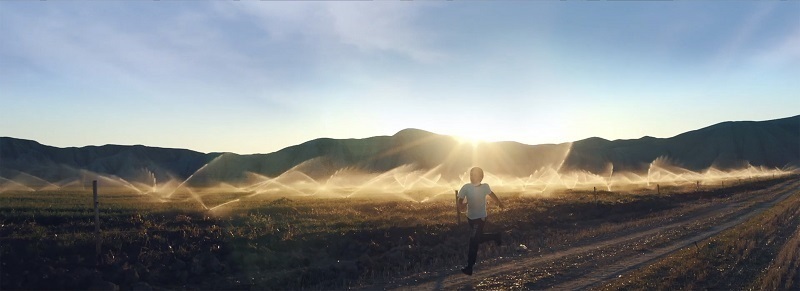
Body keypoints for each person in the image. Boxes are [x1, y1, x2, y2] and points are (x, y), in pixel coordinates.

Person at [457, 166, 504, 276]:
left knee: (473, 241)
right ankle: (496, 236)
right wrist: (461, 206)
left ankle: (469, 267)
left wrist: (499, 203)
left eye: (475, 174)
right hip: (470, 218)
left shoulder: (485, 187)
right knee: (478, 238)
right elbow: (460, 200)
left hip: (481, 218)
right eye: (471, 174)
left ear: (481, 176)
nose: (472, 176)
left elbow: (492, 195)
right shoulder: (466, 187)